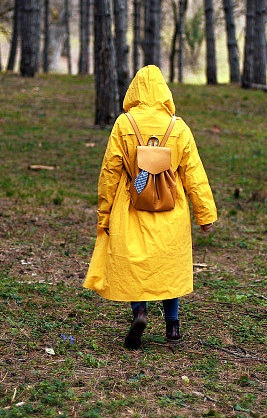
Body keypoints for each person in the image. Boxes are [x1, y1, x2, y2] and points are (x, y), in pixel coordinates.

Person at [83, 65, 218, 350]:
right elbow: (194, 172)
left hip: (131, 205)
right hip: (172, 209)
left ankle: (140, 313)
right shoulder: (178, 127)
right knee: (168, 266)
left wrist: (104, 215)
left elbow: (110, 173)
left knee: (136, 264)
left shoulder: (124, 124)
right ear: (164, 92)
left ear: (135, 91)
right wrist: (204, 214)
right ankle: (173, 327)